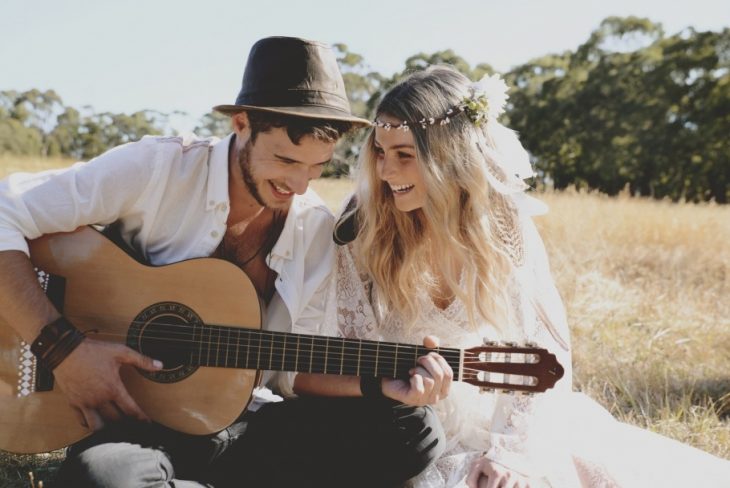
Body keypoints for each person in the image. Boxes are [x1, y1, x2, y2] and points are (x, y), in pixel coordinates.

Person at [0, 37, 450, 488]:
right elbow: (5, 212)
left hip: (250, 425)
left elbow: (293, 370)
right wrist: (62, 349)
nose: (297, 184)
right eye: (285, 160)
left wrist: (379, 385)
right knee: (100, 479)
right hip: (139, 425)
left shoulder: (312, 226)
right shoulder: (157, 169)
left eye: (316, 168)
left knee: (413, 430)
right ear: (241, 124)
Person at [329, 65, 730, 487]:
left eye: (404, 155)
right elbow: (351, 344)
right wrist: (394, 393)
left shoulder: (500, 220)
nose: (386, 170)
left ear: (447, 156)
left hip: (497, 406)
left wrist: (512, 453)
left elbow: (542, 342)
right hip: (403, 420)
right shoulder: (363, 221)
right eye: (380, 151)